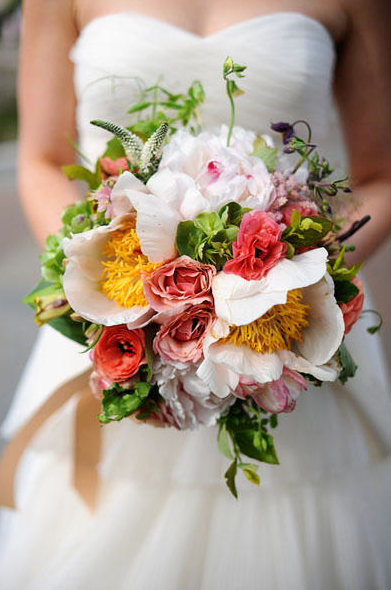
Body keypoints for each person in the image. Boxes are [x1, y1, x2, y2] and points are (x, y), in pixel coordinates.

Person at [1, 0, 391, 588]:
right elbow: (42, 158)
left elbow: (380, 175)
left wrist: (288, 284)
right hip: (115, 312)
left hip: (288, 333)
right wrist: (120, 294)